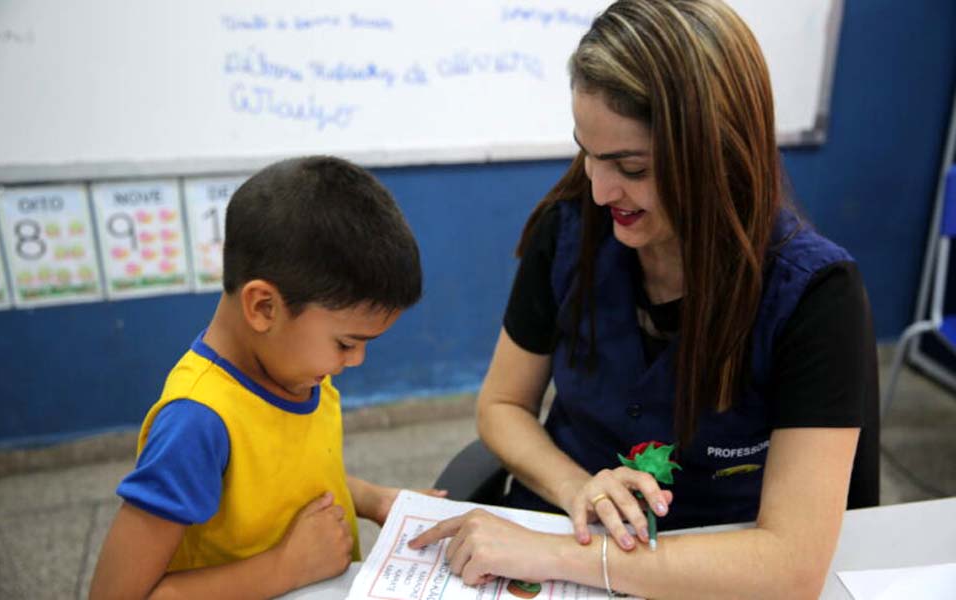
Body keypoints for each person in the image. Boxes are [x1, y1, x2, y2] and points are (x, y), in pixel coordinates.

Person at [410, 1, 879, 597]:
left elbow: (790, 566)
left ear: (716, 155)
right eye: (587, 152)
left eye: (630, 166)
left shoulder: (812, 296)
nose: (601, 191)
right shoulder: (568, 232)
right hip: (551, 539)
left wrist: (564, 555)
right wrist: (575, 488)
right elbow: (501, 405)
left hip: (707, 570)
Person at [90, 156, 440, 599]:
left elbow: (283, 481)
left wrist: (372, 499)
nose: (356, 361)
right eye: (347, 343)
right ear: (263, 307)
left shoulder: (297, 369)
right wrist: (285, 568)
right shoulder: (197, 422)